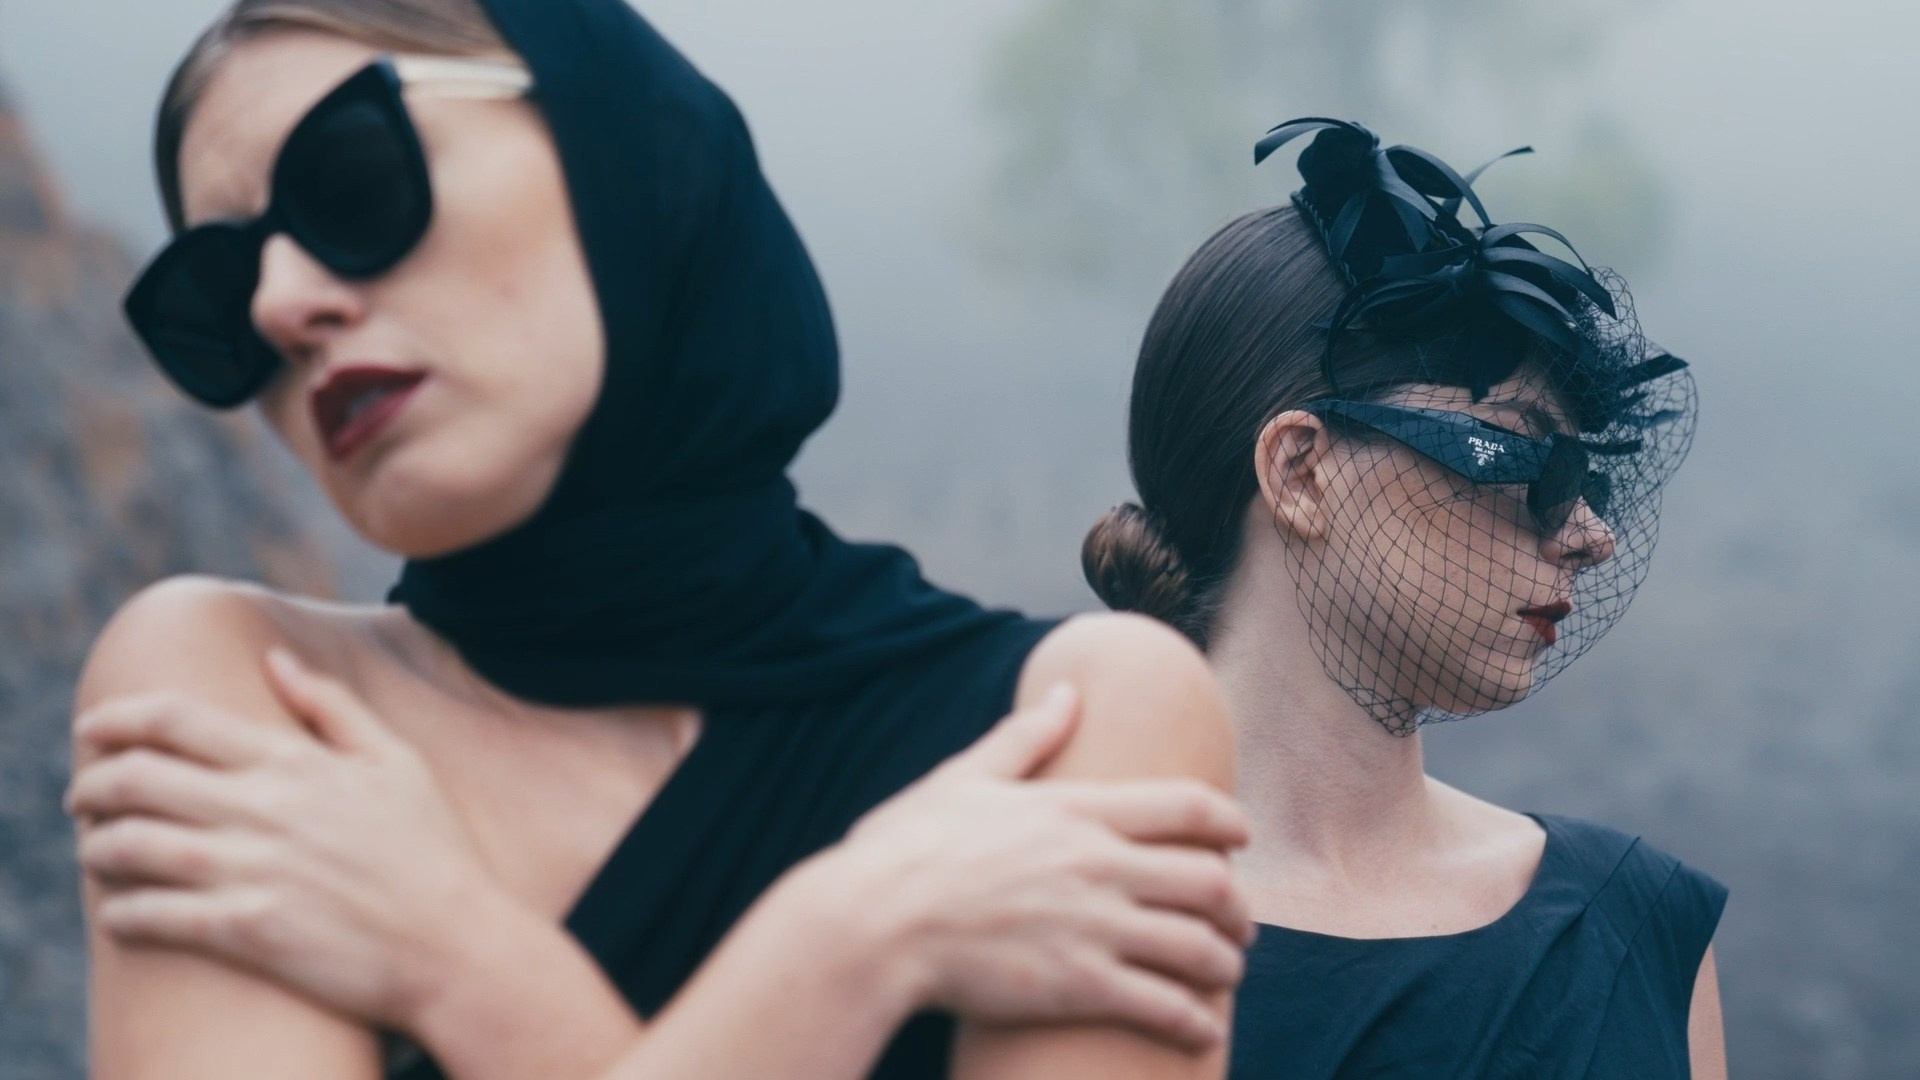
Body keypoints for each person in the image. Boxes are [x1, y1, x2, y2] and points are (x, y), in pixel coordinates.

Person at [67, 1, 1245, 1077]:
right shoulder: (231, 691)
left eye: (351, 178)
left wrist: (454, 962)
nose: (280, 300)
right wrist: (854, 943)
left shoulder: (1078, 722)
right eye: (216, 298)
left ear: (613, 142)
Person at [1079, 118, 1725, 1078]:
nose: (1593, 536)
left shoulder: (1638, 933)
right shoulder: (1040, 922)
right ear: (1300, 472)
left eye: (1584, 477)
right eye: (1521, 457)